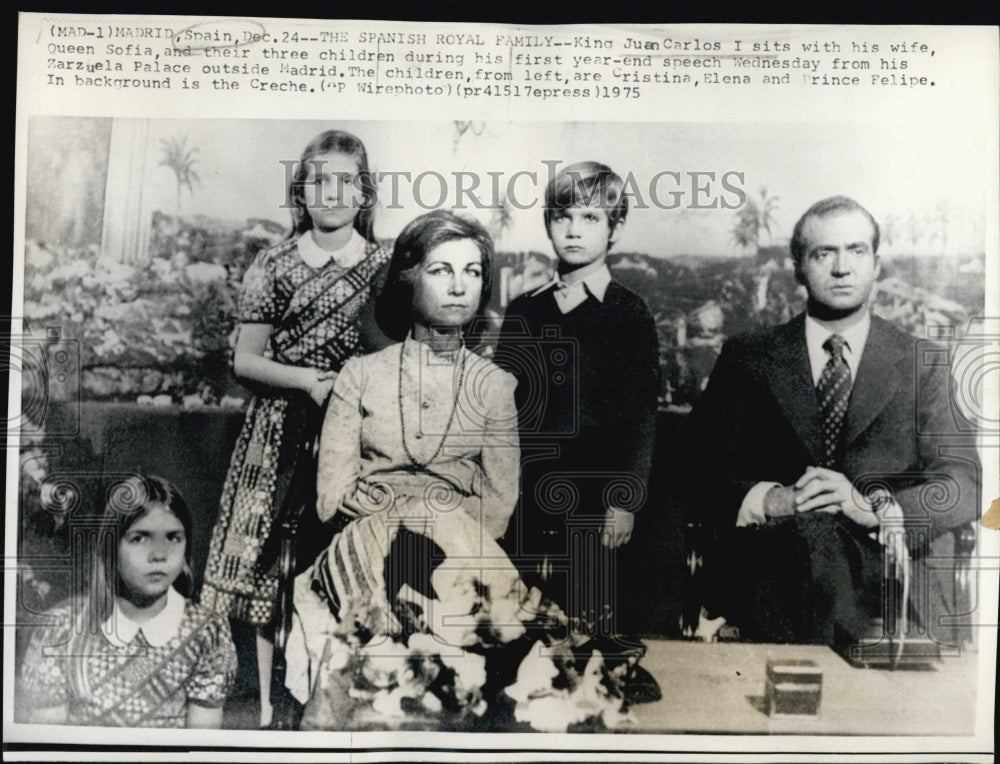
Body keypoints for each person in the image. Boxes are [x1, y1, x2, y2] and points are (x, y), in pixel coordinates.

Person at [685, 196, 980, 645]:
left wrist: (873, 509)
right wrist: (772, 500)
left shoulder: (924, 364)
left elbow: (963, 483)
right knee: (808, 542)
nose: (842, 268)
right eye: (824, 253)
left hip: (889, 574)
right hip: (779, 570)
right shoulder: (749, 358)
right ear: (800, 267)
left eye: (857, 251)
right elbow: (695, 470)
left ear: (876, 264)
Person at [283, 210, 520, 709]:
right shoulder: (361, 375)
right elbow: (330, 499)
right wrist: (397, 514)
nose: (458, 286)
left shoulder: (496, 386)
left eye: (472, 272)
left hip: (458, 549)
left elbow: (497, 508)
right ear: (407, 281)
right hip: (365, 542)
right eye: (440, 270)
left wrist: (431, 518)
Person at [199, 129, 391, 727]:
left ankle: (332, 700)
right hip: (279, 429)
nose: (331, 194)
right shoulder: (274, 263)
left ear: (365, 194)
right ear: (299, 193)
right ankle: (263, 707)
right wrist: (306, 380)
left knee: (340, 557)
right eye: (318, 182)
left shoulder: (384, 268)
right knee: (267, 568)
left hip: (356, 433)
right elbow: (244, 360)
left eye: (346, 182)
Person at [493, 161, 660, 642]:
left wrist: (624, 500)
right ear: (547, 224)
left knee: (589, 615)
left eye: (590, 219)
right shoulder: (526, 308)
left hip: (597, 489)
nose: (573, 230)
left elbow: (641, 416)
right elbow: (503, 406)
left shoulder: (629, 313)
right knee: (518, 614)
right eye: (562, 217)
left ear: (616, 230)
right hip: (528, 483)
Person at [19, 475, 237, 728]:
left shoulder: (206, 633)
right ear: (110, 548)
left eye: (173, 537)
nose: (159, 555)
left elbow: (201, 744)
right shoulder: (63, 627)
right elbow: (49, 742)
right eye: (139, 538)